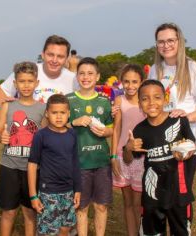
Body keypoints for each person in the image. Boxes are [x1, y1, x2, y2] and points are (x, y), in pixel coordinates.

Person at [148, 22, 196, 231]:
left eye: (170, 40)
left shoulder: (194, 68)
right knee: (158, 195)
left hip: (184, 147)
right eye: (161, 41)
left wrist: (186, 117)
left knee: (179, 198)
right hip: (159, 146)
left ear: (180, 42)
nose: (166, 45)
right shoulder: (154, 69)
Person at [124, 80, 196, 235]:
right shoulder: (140, 129)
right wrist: (128, 148)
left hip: (179, 193)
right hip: (152, 195)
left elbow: (192, 144)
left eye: (157, 97)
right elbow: (127, 159)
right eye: (145, 99)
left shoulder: (178, 120)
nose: (151, 103)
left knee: (181, 232)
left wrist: (185, 151)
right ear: (139, 104)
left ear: (165, 99)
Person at [0, 61, 46, 236]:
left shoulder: (43, 109)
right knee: (9, 212)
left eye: (30, 81)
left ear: (37, 83)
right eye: (22, 81)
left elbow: (47, 137)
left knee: (30, 212)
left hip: (33, 169)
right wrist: (1, 137)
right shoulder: (8, 106)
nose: (26, 85)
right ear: (15, 83)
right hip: (9, 167)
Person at [66, 57, 113, 236]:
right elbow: (57, 127)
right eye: (82, 73)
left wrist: (105, 132)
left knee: (101, 206)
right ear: (77, 76)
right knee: (81, 207)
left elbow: (111, 129)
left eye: (90, 73)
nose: (86, 77)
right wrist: (74, 122)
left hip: (101, 162)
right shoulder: (69, 100)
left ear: (98, 76)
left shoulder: (104, 101)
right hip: (79, 164)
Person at [27, 94, 81, 236]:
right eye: (54, 112)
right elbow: (32, 165)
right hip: (48, 193)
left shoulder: (72, 134)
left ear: (68, 114)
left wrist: (78, 189)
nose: (58, 117)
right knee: (48, 232)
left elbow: (75, 163)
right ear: (47, 113)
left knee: (65, 228)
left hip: (68, 192)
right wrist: (33, 196)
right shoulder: (41, 135)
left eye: (62, 113)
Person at [110, 64, 146, 236]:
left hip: (142, 157)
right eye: (126, 81)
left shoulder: (146, 100)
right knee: (127, 202)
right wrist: (113, 156)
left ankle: (142, 232)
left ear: (142, 82)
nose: (130, 86)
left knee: (139, 202)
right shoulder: (119, 101)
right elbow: (116, 129)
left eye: (135, 82)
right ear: (121, 82)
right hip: (122, 155)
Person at [0, 35, 76, 107]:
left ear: (66, 59)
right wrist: (8, 115)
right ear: (43, 55)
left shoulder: (74, 79)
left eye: (60, 56)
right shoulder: (27, 70)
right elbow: (0, 92)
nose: (54, 60)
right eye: (50, 55)